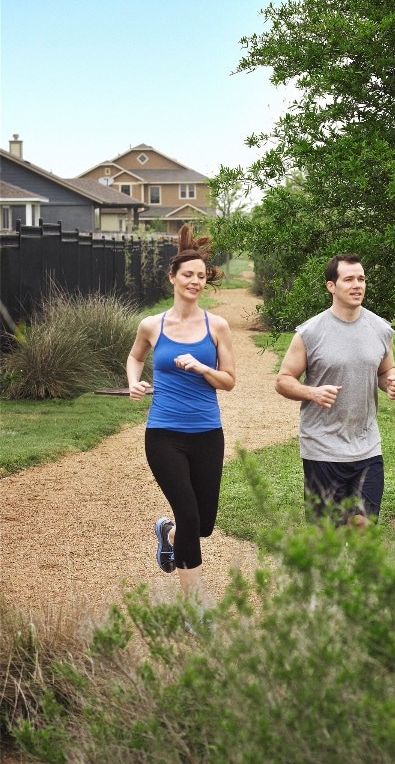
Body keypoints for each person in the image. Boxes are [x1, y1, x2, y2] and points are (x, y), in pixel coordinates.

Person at [127, 224, 235, 599]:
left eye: (201, 276)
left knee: (202, 525)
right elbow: (135, 357)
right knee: (189, 515)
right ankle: (194, 606)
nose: (194, 281)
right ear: (172, 277)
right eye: (187, 274)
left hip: (208, 433)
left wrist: (204, 368)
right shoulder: (151, 325)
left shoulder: (217, 326)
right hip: (164, 433)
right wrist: (133, 381)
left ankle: (168, 534)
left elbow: (229, 381)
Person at [275, 253, 395, 527]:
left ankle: (354, 571)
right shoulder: (310, 332)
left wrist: (391, 381)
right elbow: (283, 380)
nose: (357, 285)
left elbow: (385, 370)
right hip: (322, 447)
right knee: (326, 534)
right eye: (349, 279)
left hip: (366, 447)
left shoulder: (380, 329)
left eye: (361, 279)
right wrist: (313, 392)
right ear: (331, 286)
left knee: (363, 524)